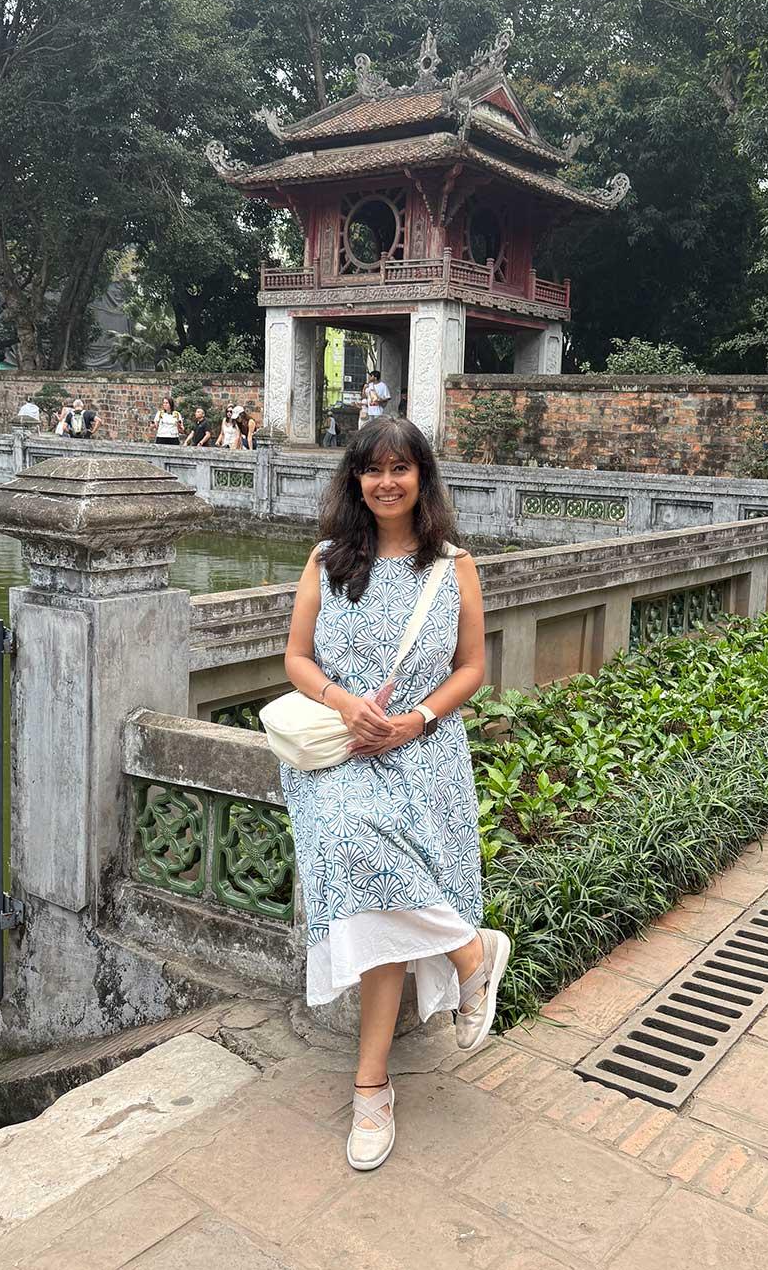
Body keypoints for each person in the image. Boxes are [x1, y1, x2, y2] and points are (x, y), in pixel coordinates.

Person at [279, 416, 509, 1172]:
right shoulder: (327, 560)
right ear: (355, 478)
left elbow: (471, 668)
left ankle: (371, 1085)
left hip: (424, 750)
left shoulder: (454, 566)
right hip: (341, 751)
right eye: (372, 469)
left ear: (421, 478)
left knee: (377, 903)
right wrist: (347, 704)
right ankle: (470, 950)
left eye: (400, 468)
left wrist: (416, 720)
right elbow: (296, 658)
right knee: (354, 843)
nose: (386, 482)